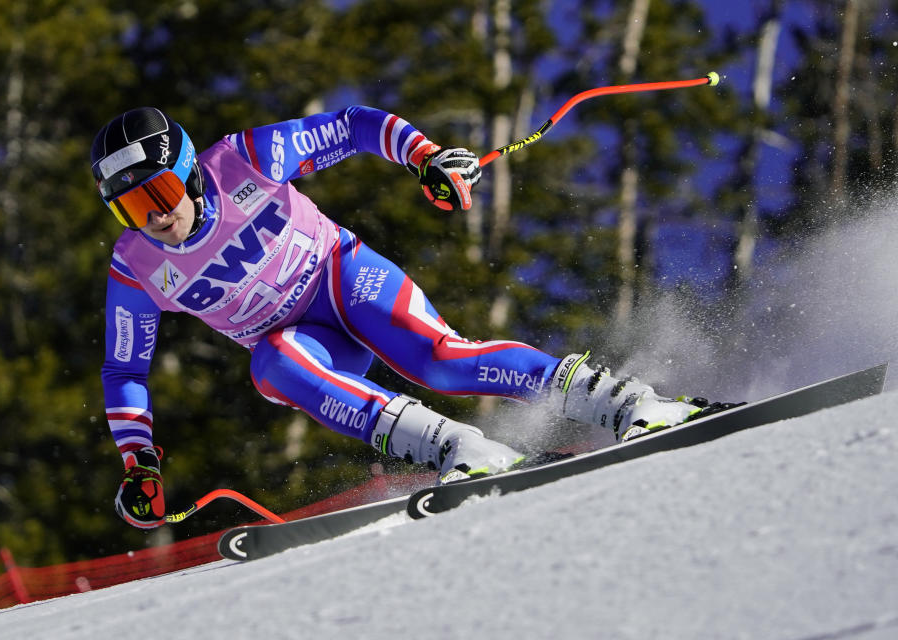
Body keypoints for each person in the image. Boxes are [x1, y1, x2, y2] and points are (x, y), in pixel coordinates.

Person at [92, 106, 724, 529]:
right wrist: (138, 461)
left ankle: (626, 402)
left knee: (440, 363)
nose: (153, 218)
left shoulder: (243, 160)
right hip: (304, 341)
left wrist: (425, 157)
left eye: (159, 194)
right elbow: (125, 368)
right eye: (129, 209)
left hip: (343, 280)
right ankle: (462, 449)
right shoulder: (136, 265)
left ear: (188, 176)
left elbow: (352, 126)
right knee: (272, 364)